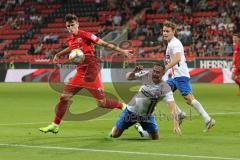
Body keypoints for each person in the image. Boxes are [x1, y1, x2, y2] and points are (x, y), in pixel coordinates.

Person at [39, 13, 133, 133]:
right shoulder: (70, 39)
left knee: (102, 103)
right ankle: (55, 125)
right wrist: (58, 54)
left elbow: (103, 43)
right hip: (80, 72)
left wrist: (122, 51)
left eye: (72, 25)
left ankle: (124, 106)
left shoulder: (85, 35)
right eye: (68, 26)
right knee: (64, 97)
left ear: (77, 24)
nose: (70, 28)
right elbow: (71, 48)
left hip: (91, 73)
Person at [162, 20, 215, 132]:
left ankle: (208, 119)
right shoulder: (170, 43)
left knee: (189, 99)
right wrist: (171, 71)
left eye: (167, 31)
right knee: (162, 91)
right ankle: (180, 114)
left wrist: (165, 68)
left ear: (173, 31)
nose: (165, 33)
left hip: (181, 76)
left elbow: (177, 59)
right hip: (176, 75)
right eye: (163, 31)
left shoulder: (174, 44)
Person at [109, 64, 181, 140]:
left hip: (147, 116)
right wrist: (134, 72)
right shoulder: (146, 74)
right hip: (131, 111)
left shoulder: (165, 88)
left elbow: (173, 109)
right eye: (154, 71)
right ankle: (114, 130)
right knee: (115, 135)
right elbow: (128, 77)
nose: (155, 74)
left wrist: (176, 125)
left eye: (158, 72)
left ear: (163, 73)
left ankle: (141, 130)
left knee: (155, 138)